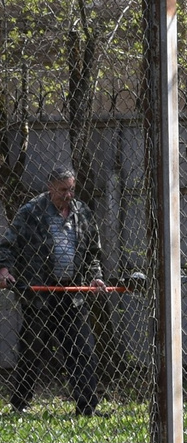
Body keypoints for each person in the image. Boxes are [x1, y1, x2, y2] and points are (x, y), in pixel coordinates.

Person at [2, 166, 111, 417]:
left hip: (72, 294)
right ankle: (20, 405)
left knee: (82, 350)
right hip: (39, 294)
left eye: (71, 189)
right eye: (63, 189)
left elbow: (93, 252)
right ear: (50, 187)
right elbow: (8, 243)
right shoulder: (31, 212)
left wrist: (95, 277)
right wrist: (4, 270)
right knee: (32, 349)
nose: (68, 195)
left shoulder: (81, 212)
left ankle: (86, 408)